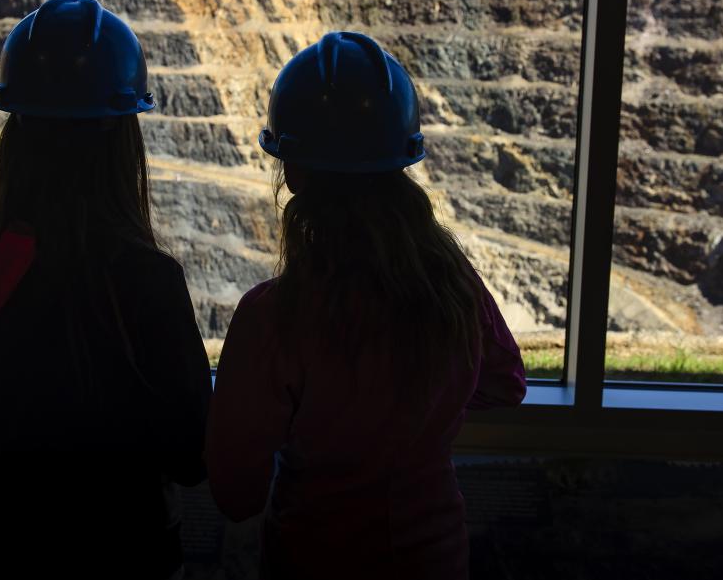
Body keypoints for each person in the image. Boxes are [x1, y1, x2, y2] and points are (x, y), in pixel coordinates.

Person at [205, 31, 527, 579]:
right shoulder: (453, 287)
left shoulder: (273, 316)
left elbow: (237, 494)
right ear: (402, 158)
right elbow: (506, 383)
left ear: (295, 170)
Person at [0, 0, 212, 580]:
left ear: (14, 135)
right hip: (131, 557)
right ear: (125, 143)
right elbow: (191, 454)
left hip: (13, 554)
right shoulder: (146, 280)